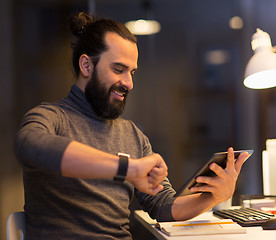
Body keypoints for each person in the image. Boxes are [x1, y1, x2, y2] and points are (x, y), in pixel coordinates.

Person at [14, 12, 250, 240]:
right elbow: (30, 146)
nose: (128, 83)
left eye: (132, 72)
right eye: (118, 69)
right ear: (86, 66)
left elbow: (164, 207)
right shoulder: (50, 117)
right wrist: (127, 169)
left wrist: (214, 196)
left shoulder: (133, 135)